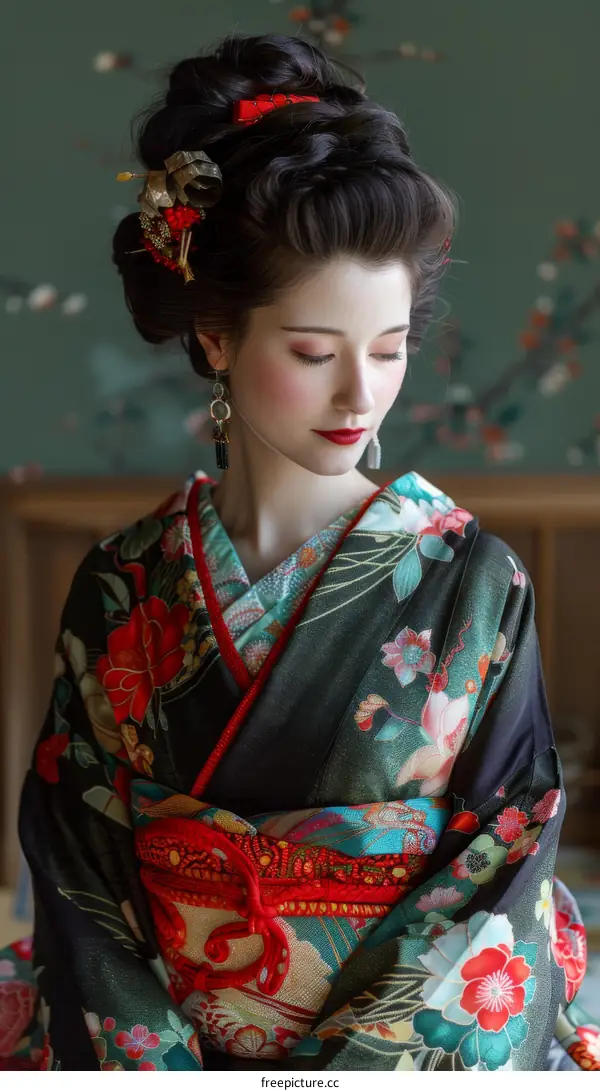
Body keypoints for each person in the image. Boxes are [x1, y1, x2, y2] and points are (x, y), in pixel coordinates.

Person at [0, 31, 597, 1073]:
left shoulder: (473, 581)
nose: (360, 394)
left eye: (392, 346)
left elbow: (504, 854)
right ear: (218, 336)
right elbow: (77, 866)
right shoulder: (123, 584)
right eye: (315, 353)